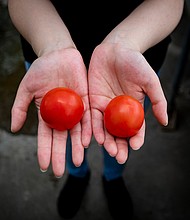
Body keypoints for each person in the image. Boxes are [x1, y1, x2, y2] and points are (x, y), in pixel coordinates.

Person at [8, 0, 184, 219]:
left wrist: (126, 43)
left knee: (120, 138)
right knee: (69, 136)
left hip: (132, 65)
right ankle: (77, 174)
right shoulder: (52, 67)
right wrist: (52, 45)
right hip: (49, 59)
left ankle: (113, 177)